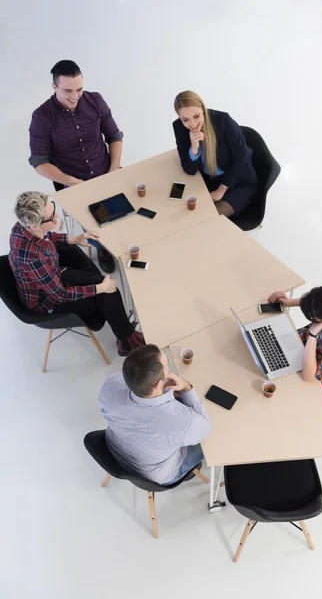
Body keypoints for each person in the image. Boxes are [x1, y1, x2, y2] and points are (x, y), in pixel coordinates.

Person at [9, 191, 144, 357]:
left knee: (107, 288)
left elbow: (46, 236)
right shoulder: (32, 259)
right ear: (35, 225)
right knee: (108, 293)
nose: (57, 217)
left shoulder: (21, 228)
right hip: (48, 302)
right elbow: (59, 295)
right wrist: (99, 289)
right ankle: (127, 341)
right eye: (52, 217)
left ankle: (126, 337)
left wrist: (75, 239)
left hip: (52, 276)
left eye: (54, 210)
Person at [28, 60, 123, 273]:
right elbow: (39, 162)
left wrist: (114, 168)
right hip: (73, 182)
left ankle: (123, 238)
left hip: (106, 170)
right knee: (96, 221)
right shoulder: (42, 117)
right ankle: (102, 249)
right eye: (68, 90)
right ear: (54, 87)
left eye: (79, 89)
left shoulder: (95, 100)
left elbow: (114, 136)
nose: (75, 96)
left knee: (126, 209)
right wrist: (72, 183)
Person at [99, 344, 212, 485]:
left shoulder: (110, 385)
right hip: (157, 474)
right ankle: (187, 470)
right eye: (167, 365)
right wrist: (186, 387)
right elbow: (206, 427)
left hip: (115, 449)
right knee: (212, 442)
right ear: (158, 385)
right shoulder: (185, 423)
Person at [173, 90, 258, 218]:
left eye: (196, 116)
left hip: (237, 181)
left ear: (202, 108)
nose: (193, 124)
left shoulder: (224, 121)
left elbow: (242, 159)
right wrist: (194, 148)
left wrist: (221, 189)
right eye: (185, 120)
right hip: (208, 181)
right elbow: (189, 170)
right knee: (182, 212)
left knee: (207, 218)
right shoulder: (179, 127)